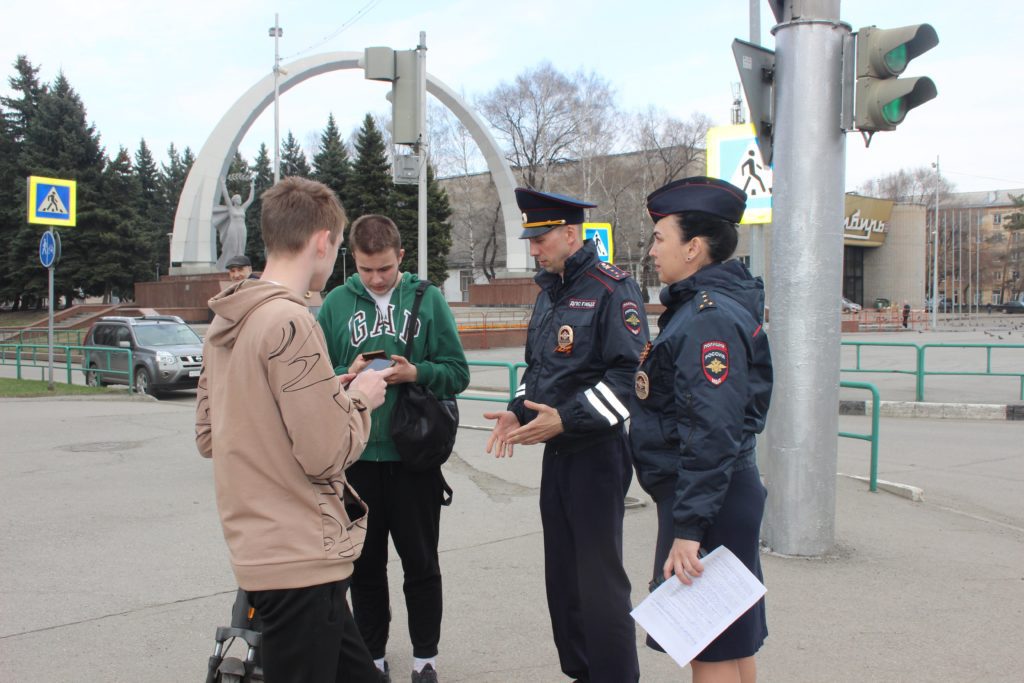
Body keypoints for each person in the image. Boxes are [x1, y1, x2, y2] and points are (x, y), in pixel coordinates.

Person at [195, 176, 390, 683]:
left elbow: (210, 435)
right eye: (336, 247)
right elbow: (326, 452)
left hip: (261, 549)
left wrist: (330, 394)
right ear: (323, 240)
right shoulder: (292, 320)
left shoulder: (227, 320)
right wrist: (359, 400)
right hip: (301, 555)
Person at [484, 188, 647, 683]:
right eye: (531, 240)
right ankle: (581, 672)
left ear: (571, 234)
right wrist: (518, 410)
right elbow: (537, 369)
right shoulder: (549, 293)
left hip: (597, 454)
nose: (533, 249)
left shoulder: (613, 288)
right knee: (564, 581)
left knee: (599, 584)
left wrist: (567, 419)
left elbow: (630, 382)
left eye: (541, 238)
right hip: (558, 454)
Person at [629, 176, 773, 683]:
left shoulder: (706, 318)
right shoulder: (703, 307)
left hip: (707, 497)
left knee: (707, 646)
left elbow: (711, 428)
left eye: (659, 238)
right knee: (732, 639)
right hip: (717, 491)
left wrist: (689, 528)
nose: (651, 251)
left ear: (693, 248)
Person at [318, 214, 470, 683]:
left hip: (415, 460)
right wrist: (348, 371)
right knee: (365, 569)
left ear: (401, 258)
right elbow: (315, 381)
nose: (377, 278)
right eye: (366, 269)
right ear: (353, 262)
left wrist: (416, 373)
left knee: (421, 564)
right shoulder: (335, 305)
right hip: (358, 460)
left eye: (385, 268)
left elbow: (457, 373)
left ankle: (425, 660)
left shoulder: (428, 299)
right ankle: (374, 659)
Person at [216, 176, 256, 270]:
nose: (240, 199)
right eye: (238, 198)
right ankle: (229, 267)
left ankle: (240, 267)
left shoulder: (243, 208)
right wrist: (222, 184)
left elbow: (250, 199)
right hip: (233, 228)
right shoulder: (231, 208)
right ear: (234, 200)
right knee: (233, 248)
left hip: (242, 228)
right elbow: (226, 196)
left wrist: (252, 187)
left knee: (241, 249)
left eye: (240, 198)